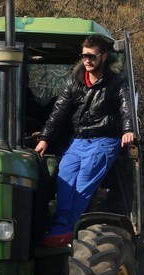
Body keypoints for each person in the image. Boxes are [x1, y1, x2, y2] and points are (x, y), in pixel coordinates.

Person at [35, 35, 134, 247]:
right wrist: (45, 138)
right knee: (65, 175)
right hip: (79, 139)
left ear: (104, 56)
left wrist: (128, 130)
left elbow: (127, 108)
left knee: (85, 178)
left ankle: (71, 226)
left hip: (105, 139)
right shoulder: (74, 81)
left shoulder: (116, 82)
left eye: (91, 56)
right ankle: (60, 224)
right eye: (83, 56)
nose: (86, 60)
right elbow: (58, 112)